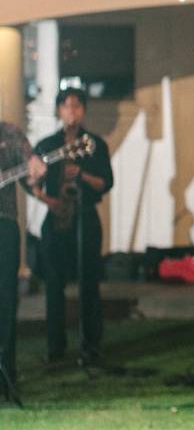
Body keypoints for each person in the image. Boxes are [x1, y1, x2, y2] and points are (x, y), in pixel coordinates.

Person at [33, 88, 113, 364]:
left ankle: (90, 346)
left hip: (85, 218)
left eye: (77, 106)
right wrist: (46, 199)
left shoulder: (95, 144)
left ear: (84, 110)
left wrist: (82, 175)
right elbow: (31, 181)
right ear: (58, 110)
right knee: (53, 286)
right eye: (67, 106)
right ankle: (56, 348)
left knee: (89, 285)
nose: (72, 112)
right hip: (56, 220)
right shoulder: (45, 145)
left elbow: (106, 183)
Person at [0, 120, 45, 396]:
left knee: (5, 298)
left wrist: (35, 172)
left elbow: (29, 178)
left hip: (3, 225)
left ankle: (6, 373)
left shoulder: (10, 134)